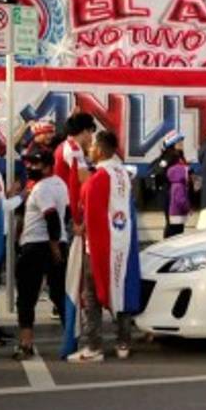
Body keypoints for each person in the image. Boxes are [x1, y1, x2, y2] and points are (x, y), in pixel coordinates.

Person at [69, 131, 135, 362]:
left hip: (99, 246)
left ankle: (94, 346)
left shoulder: (98, 178)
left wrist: (82, 229)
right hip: (122, 241)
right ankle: (123, 340)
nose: (89, 150)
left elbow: (92, 215)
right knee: (120, 289)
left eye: (92, 147)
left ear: (101, 149)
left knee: (93, 296)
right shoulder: (122, 173)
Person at [12, 149, 69, 360]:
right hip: (58, 242)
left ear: (47, 166)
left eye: (35, 164)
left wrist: (53, 246)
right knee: (60, 294)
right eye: (29, 164)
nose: (30, 168)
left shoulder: (41, 189)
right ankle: (71, 338)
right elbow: (67, 213)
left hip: (38, 246)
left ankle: (26, 343)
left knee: (27, 296)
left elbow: (52, 217)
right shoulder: (60, 184)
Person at [161, 136, 191, 239]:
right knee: (173, 225)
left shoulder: (178, 156)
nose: (182, 143)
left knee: (178, 225)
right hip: (172, 195)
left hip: (178, 194)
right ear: (172, 144)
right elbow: (163, 173)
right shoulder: (169, 157)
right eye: (179, 142)